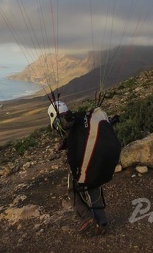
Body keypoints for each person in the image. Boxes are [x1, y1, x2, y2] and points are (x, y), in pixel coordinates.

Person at [48, 100, 120, 236]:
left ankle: (88, 220)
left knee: (72, 190)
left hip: (82, 160)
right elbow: (74, 133)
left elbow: (66, 124)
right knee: (93, 185)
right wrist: (62, 145)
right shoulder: (79, 118)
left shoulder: (64, 120)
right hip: (96, 159)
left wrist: (63, 120)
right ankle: (101, 222)